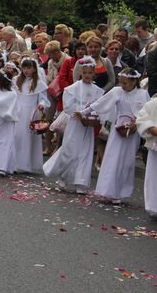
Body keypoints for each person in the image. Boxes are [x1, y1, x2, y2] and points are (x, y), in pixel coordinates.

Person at [80, 68, 149, 204]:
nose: (122, 86)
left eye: (125, 83)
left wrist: (138, 122)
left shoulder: (143, 94)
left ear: (134, 82)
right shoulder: (117, 91)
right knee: (112, 158)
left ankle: (121, 193)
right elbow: (101, 103)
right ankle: (107, 190)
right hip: (118, 129)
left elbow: (146, 112)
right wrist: (84, 111)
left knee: (127, 162)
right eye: (121, 82)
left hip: (132, 131)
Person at [43, 57, 104, 193]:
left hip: (87, 126)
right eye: (85, 73)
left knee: (85, 152)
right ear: (81, 72)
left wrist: (91, 115)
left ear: (94, 74)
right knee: (70, 150)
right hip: (75, 124)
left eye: (90, 73)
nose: (88, 75)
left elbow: (100, 106)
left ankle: (80, 182)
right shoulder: (72, 88)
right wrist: (80, 112)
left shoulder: (98, 90)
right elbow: (68, 106)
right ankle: (63, 177)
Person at [12, 58, 50, 174]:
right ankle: (14, 163)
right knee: (16, 137)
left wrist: (42, 105)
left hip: (30, 113)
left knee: (27, 139)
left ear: (34, 69)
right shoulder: (17, 80)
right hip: (18, 112)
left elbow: (43, 99)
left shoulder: (39, 84)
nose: (26, 70)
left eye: (29, 68)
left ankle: (26, 164)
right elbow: (13, 95)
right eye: (24, 68)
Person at [136, 95, 157, 218]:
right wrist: (150, 128)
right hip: (155, 146)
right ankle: (154, 206)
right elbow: (142, 117)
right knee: (154, 176)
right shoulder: (153, 103)